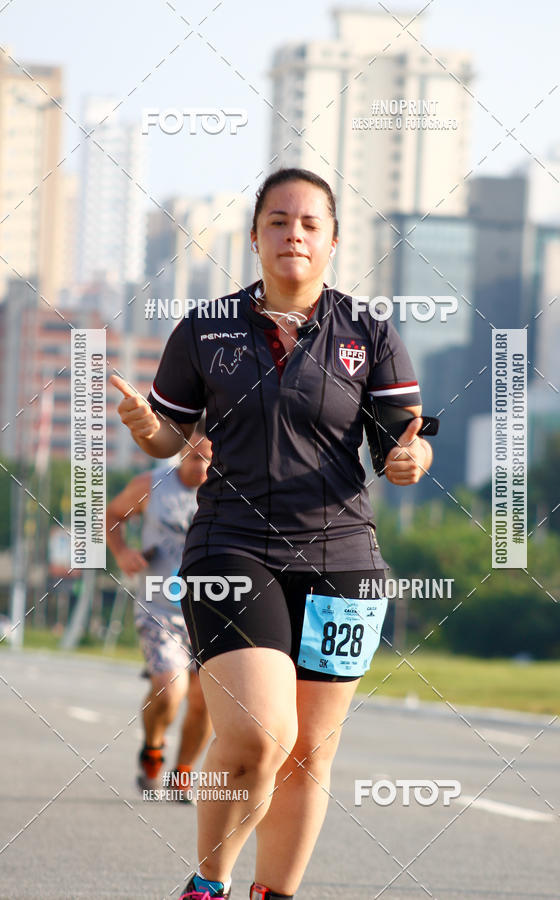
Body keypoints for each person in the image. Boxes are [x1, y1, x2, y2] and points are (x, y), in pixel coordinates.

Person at [111, 167, 434, 899]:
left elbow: (398, 446)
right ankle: (209, 884)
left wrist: (414, 457)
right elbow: (170, 438)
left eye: (309, 223)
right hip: (232, 548)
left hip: (343, 560)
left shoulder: (369, 332)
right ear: (254, 236)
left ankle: (275, 894)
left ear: (332, 241)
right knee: (260, 737)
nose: (293, 233)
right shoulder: (205, 328)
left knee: (310, 752)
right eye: (278, 221)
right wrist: (148, 427)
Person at [106, 421, 213, 802]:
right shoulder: (152, 485)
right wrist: (123, 553)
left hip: (213, 615)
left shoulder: (233, 495)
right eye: (196, 456)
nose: (202, 468)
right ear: (183, 449)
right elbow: (112, 515)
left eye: (210, 461)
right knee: (170, 690)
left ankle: (182, 773)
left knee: (206, 702)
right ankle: (153, 747)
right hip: (159, 608)